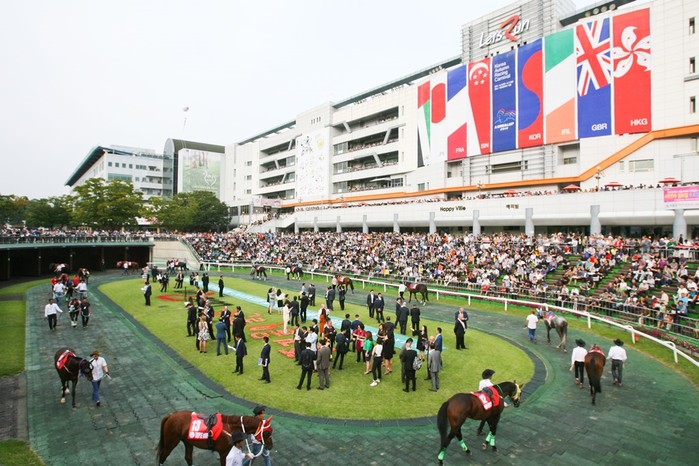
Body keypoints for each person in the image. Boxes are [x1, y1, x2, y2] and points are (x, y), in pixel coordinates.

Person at [476, 369, 495, 435]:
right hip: (486, 401)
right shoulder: (490, 385)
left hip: (480, 398)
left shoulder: (481, 381)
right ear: (490, 376)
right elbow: (495, 396)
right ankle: (481, 430)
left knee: (486, 416)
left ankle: (480, 430)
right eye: (491, 375)